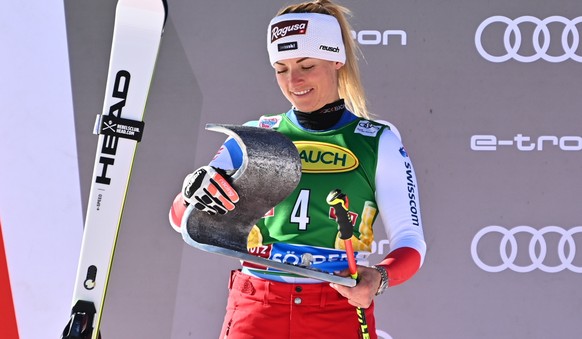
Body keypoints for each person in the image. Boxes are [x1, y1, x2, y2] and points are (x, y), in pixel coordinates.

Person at [169, 1, 426, 338]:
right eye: (281, 68)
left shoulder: (378, 141)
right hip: (257, 303)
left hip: (336, 305)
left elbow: (411, 241)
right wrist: (191, 194)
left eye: (307, 65)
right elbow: (181, 220)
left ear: (336, 60)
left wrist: (379, 277)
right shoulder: (254, 136)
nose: (294, 81)